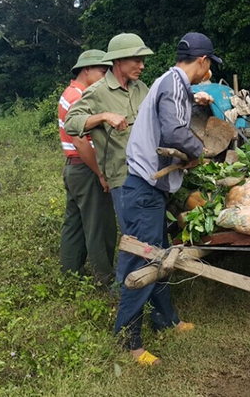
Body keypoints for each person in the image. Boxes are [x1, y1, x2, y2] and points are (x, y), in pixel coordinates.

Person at [114, 32, 217, 365]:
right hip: (143, 191)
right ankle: (129, 343)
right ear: (202, 61)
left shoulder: (173, 85)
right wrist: (200, 150)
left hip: (152, 192)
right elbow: (174, 132)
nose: (209, 72)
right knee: (143, 263)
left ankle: (165, 320)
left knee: (161, 259)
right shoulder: (173, 83)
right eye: (209, 65)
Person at [64, 33, 154, 278]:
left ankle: (147, 281)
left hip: (148, 174)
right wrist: (103, 116)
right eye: (136, 60)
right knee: (131, 236)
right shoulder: (97, 92)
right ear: (119, 61)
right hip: (121, 177)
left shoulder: (141, 88)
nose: (142, 66)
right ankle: (126, 286)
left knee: (148, 233)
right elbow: (72, 123)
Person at [58, 49, 116, 281]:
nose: (105, 77)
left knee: (75, 223)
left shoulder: (71, 92)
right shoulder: (79, 98)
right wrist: (100, 173)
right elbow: (81, 142)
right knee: (99, 225)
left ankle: (70, 272)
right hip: (85, 167)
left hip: (74, 168)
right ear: (87, 69)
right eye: (103, 71)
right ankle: (105, 277)